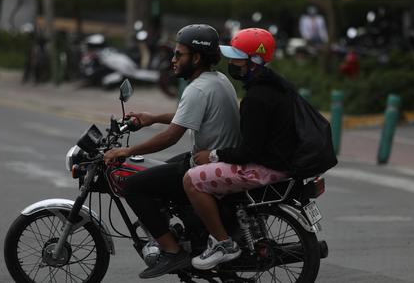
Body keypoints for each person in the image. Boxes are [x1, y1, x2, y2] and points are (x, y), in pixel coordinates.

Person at [103, 24, 241, 278]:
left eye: (179, 54)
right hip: (215, 159)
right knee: (162, 171)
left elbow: (171, 137)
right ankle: (186, 231)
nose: (173, 60)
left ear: (196, 58)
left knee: (135, 186)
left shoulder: (197, 89)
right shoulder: (217, 80)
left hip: (208, 167)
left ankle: (172, 250)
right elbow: (186, 117)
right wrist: (153, 117)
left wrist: (125, 151)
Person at [183, 28, 298, 270]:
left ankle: (223, 244)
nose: (231, 63)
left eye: (237, 58)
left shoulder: (256, 98)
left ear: (253, 61)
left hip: (265, 168)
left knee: (191, 180)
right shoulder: (276, 85)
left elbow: (249, 152)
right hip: (280, 162)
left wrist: (212, 155)